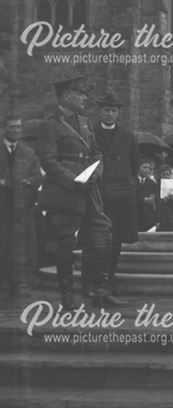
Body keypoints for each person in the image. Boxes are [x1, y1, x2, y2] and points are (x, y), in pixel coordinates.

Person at [37, 74, 114, 309]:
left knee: (102, 234)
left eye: (84, 93)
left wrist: (96, 173)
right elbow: (49, 161)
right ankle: (67, 295)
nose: (84, 97)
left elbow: (96, 152)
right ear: (64, 96)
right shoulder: (49, 125)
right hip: (65, 192)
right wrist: (74, 180)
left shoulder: (85, 122)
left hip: (89, 189)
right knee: (65, 243)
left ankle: (99, 289)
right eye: (79, 93)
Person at [94, 92, 140, 295]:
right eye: (106, 110)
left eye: (113, 110)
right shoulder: (91, 134)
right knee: (100, 236)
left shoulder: (127, 136)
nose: (110, 114)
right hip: (100, 192)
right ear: (100, 111)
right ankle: (98, 279)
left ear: (118, 113)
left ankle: (109, 276)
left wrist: (127, 183)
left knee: (117, 237)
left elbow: (135, 164)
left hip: (122, 193)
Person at [0, 114, 42, 300]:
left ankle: (18, 284)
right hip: (2, 206)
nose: (16, 130)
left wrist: (29, 181)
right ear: (4, 129)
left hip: (20, 207)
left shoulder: (28, 153)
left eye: (19, 127)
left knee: (18, 247)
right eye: (12, 127)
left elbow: (38, 177)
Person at [136, 159, 158, 230]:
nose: (147, 170)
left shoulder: (152, 183)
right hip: (135, 213)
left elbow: (153, 199)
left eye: (149, 168)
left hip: (148, 216)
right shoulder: (132, 181)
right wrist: (143, 200)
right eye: (144, 167)